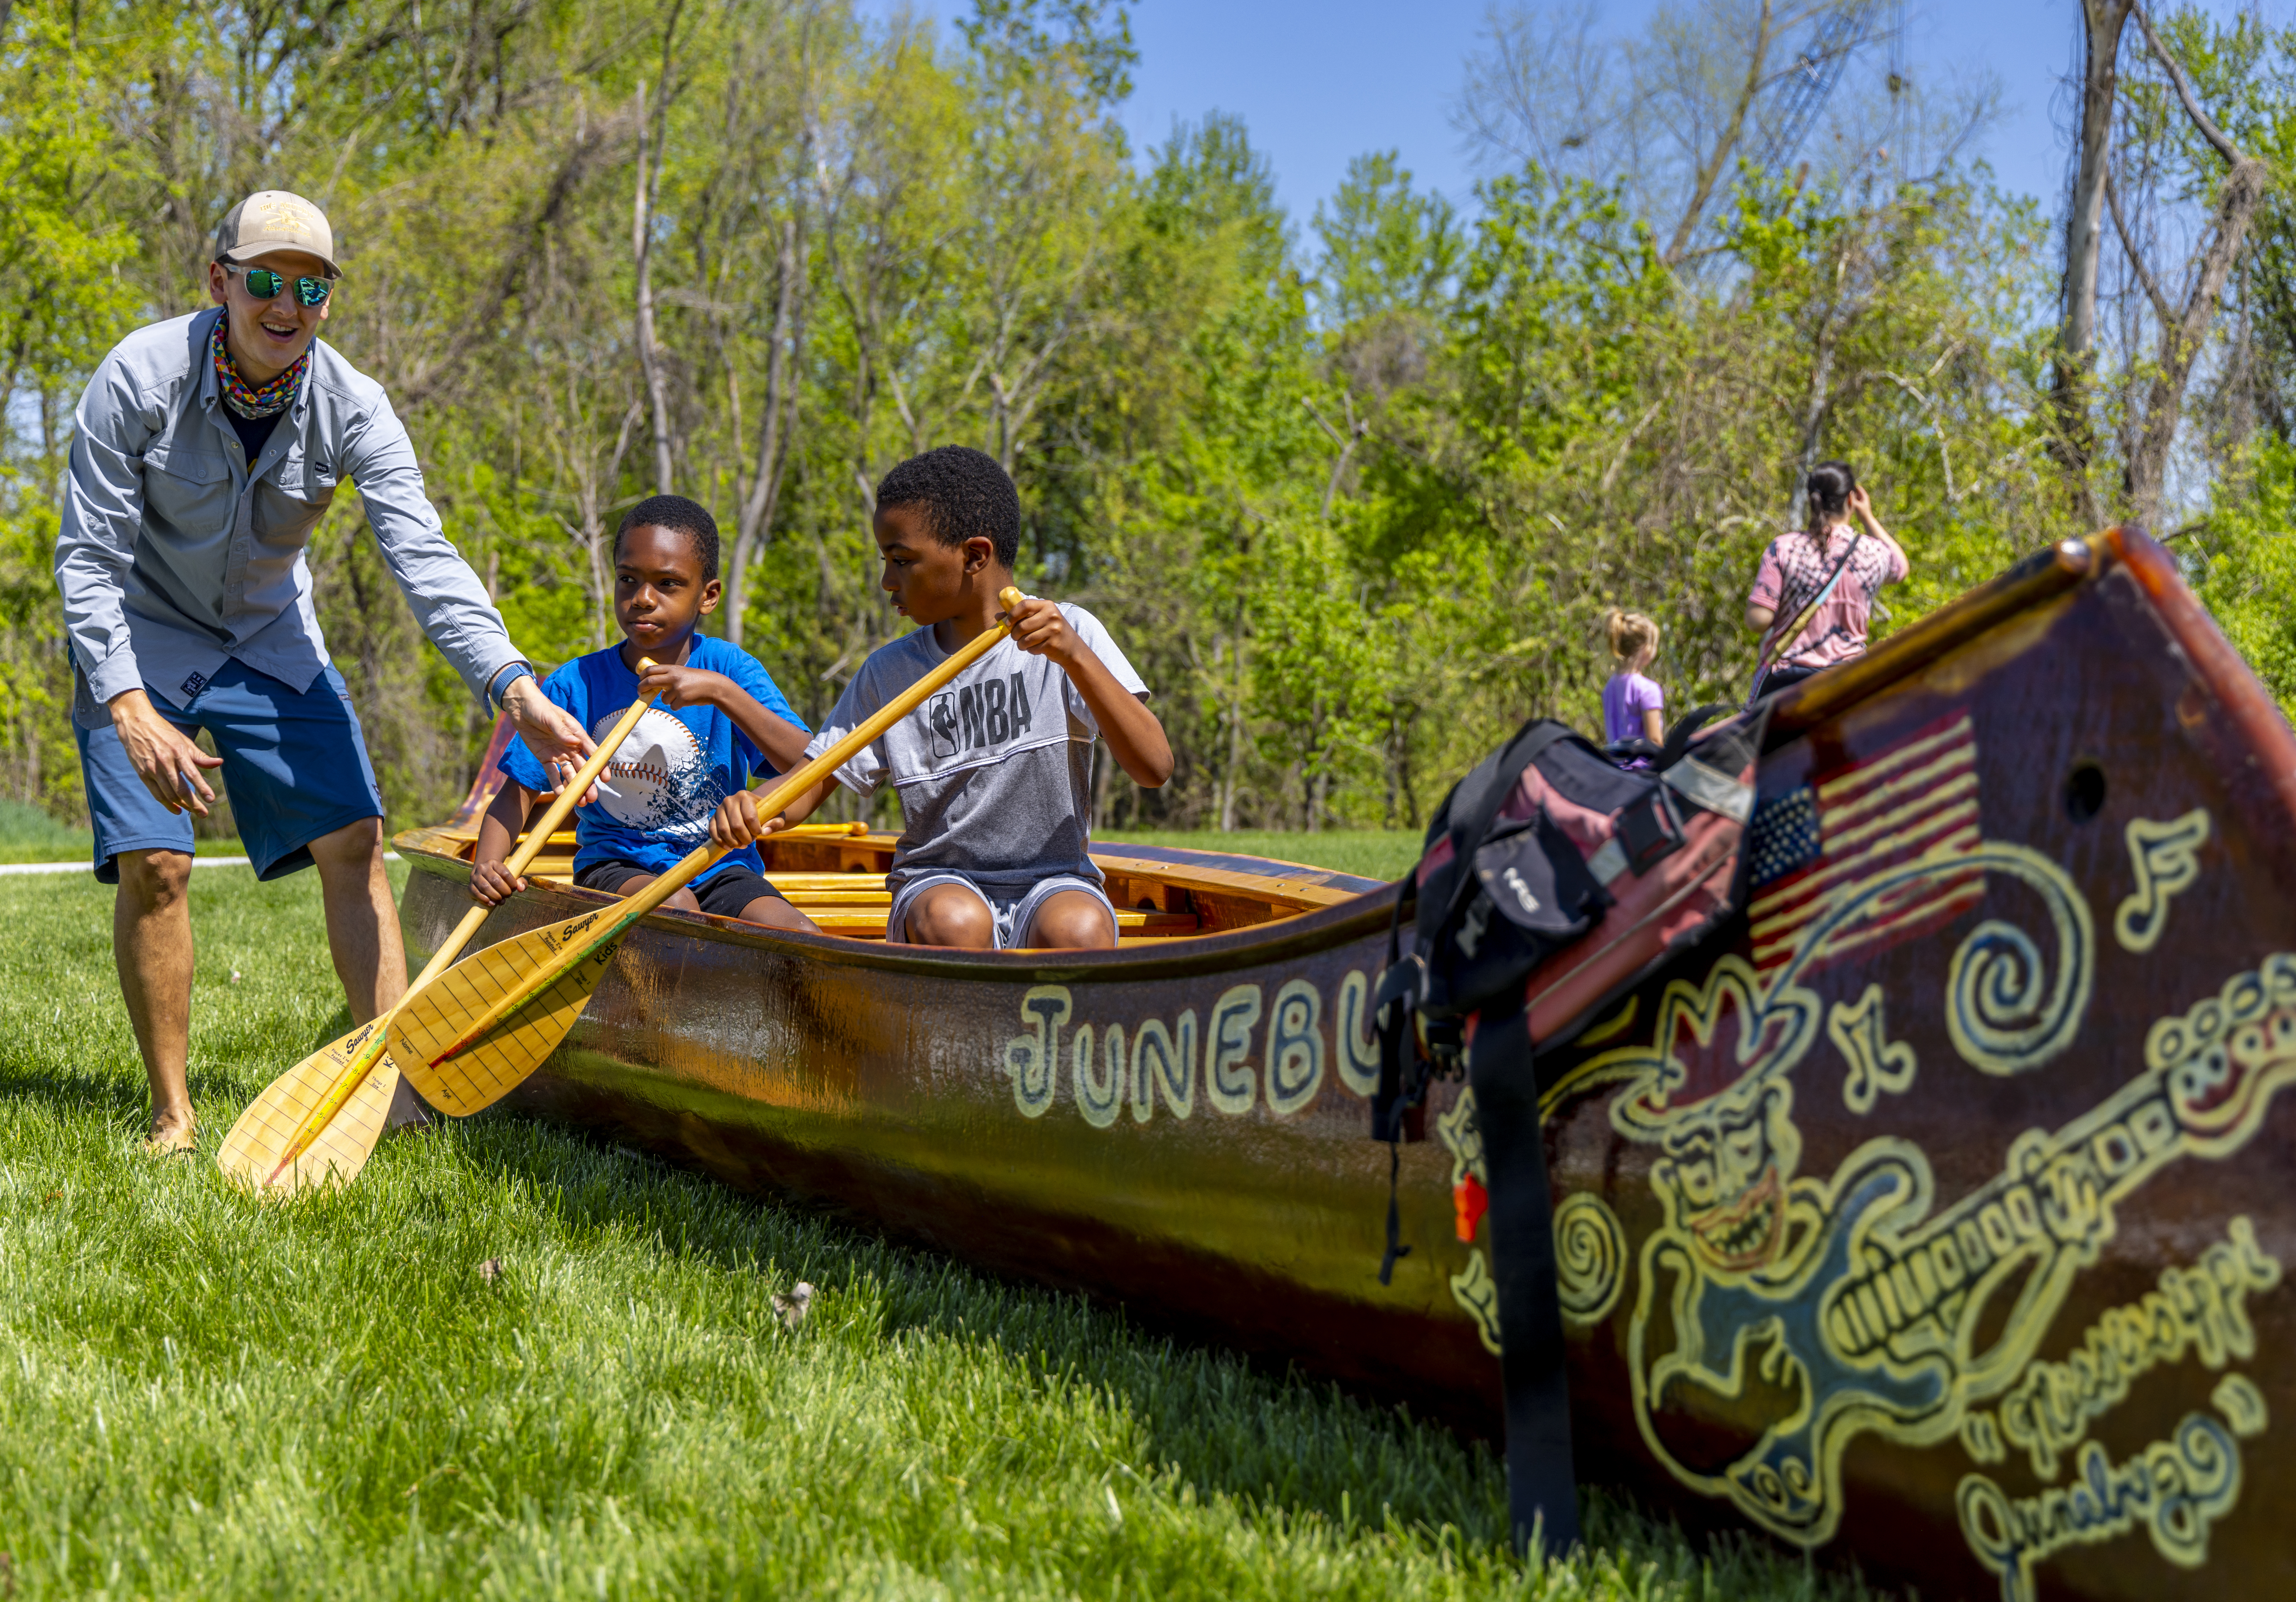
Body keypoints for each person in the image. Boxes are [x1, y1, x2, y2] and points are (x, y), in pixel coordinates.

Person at [54, 189, 593, 1154]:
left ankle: (390, 1083)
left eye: (310, 287)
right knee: (160, 862)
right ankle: (173, 1115)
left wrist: (517, 688)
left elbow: (423, 557)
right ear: (220, 281)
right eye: (264, 280)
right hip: (141, 636)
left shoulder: (354, 405)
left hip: (269, 633)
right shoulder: (137, 377)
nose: (285, 305)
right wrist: (126, 701)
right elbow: (88, 560)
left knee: (356, 835)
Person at [709, 445, 1174, 950]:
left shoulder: (1070, 633)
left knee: (1077, 927)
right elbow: (811, 782)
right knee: (955, 920)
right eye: (886, 560)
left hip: (1056, 882)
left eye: (902, 561)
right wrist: (753, 803)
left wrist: (1076, 658)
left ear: (975, 556)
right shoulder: (889, 672)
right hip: (937, 886)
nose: (888, 582)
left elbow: (1154, 766)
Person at [469, 496, 821, 935]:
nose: (643, 599)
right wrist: (488, 863)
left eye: (668, 584)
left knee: (799, 935)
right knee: (676, 907)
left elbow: (811, 764)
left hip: (720, 864)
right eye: (628, 580)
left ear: (708, 596)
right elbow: (516, 793)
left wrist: (722, 694)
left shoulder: (731, 671)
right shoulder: (575, 682)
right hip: (617, 865)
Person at [1745, 461, 1909, 695]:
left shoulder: (1783, 548)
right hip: (1849, 682)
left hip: (1788, 684)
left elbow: (1758, 621)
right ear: (1851, 500)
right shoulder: (1874, 553)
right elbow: (1900, 568)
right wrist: (1868, 517)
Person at [1601, 610, 1665, 752]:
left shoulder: (1609, 687)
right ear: (1646, 649)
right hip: (1641, 771)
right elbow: (1655, 742)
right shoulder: (1648, 690)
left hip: (1615, 768)